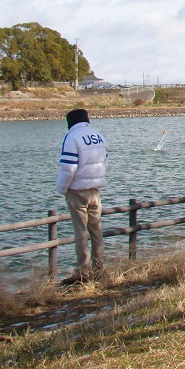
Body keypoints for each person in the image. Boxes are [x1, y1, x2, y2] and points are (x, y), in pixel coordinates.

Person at [56, 108, 108, 285]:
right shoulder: (98, 136)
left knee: (80, 232)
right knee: (97, 231)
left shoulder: (72, 137)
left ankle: (83, 272)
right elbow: (105, 161)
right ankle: (99, 269)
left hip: (77, 190)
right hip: (95, 190)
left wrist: (62, 188)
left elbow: (68, 168)